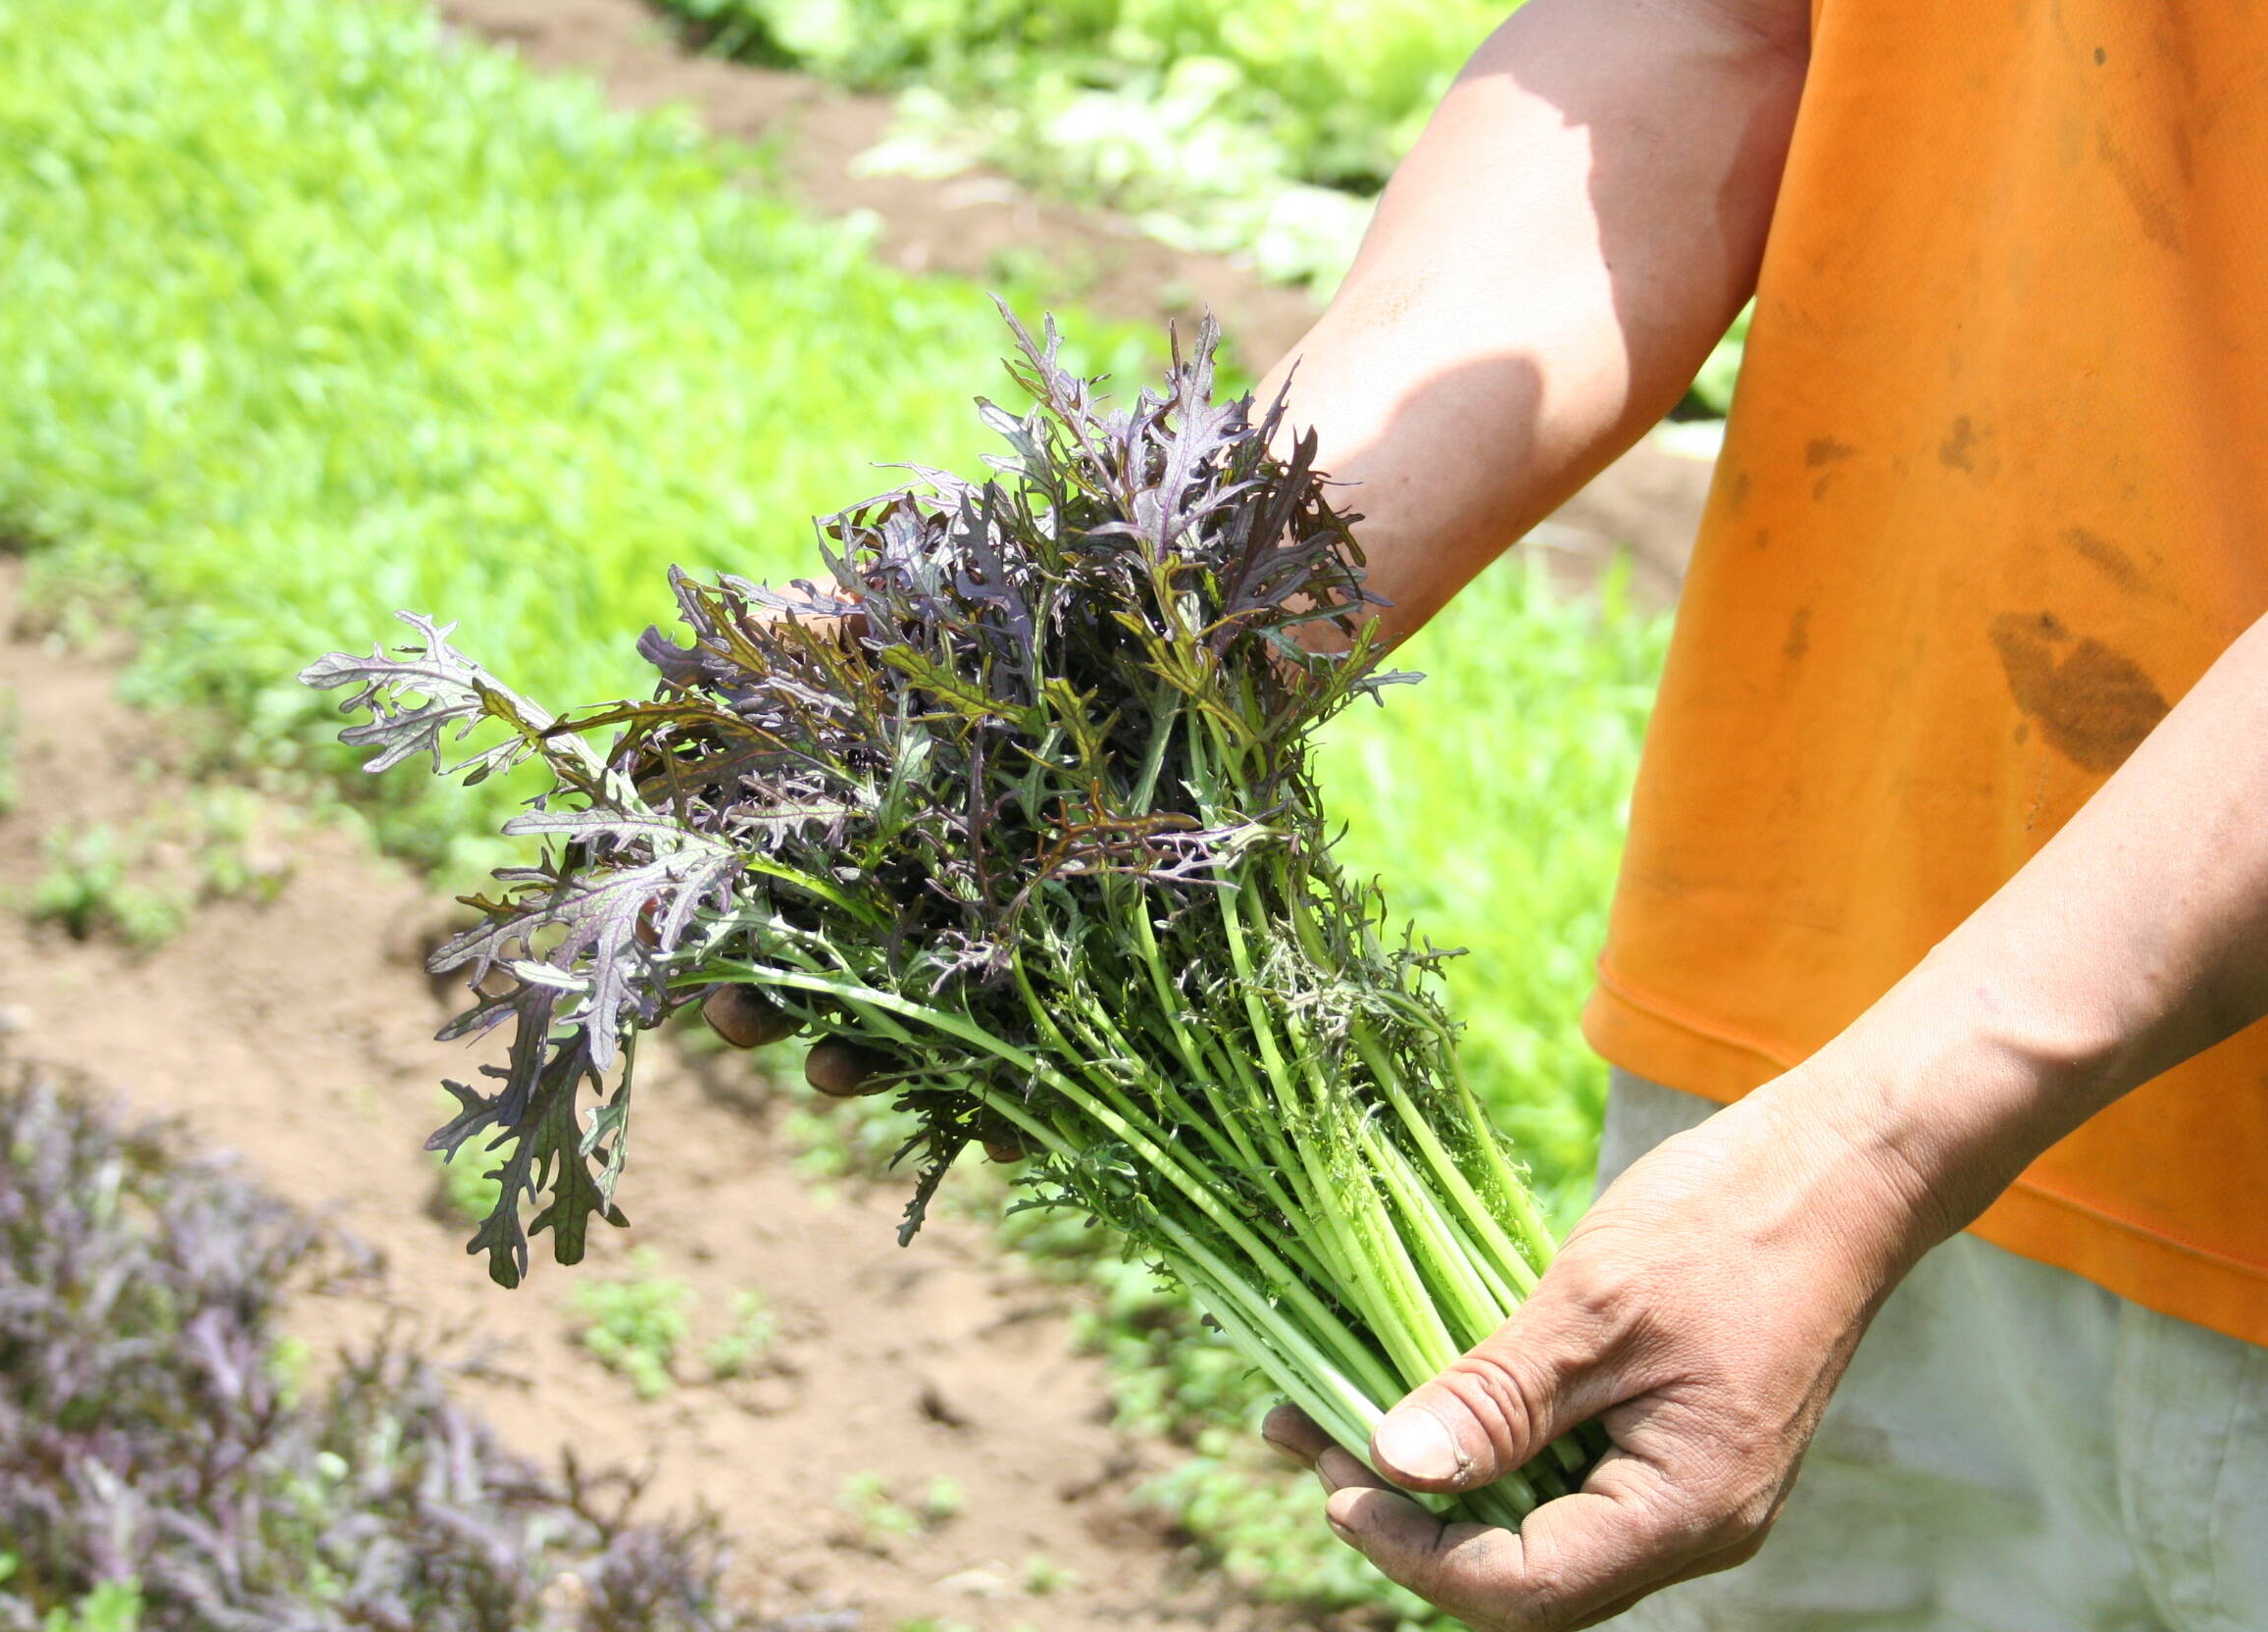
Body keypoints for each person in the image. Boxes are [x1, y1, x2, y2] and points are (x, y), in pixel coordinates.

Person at [716, 1, 2268, 1625]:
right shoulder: (1773, 1179)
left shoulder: (1835, 1166)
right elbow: (1719, 34)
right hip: (1795, 1070)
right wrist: (1162, 639)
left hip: (1923, 1139)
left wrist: (1874, 1153)